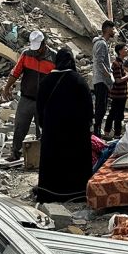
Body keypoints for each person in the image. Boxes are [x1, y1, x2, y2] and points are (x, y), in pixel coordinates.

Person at [35, 48, 93, 202]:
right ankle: (78, 193)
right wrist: (88, 125)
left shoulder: (46, 81)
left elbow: (39, 108)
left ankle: (49, 193)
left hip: (52, 131)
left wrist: (44, 125)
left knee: (53, 161)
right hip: (76, 132)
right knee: (75, 160)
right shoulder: (78, 80)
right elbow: (88, 107)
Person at [0, 30, 55, 162]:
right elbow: (16, 72)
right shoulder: (26, 54)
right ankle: (15, 152)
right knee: (20, 126)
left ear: (44, 44)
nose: (36, 51)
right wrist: (7, 87)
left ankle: (42, 157)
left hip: (44, 101)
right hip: (26, 97)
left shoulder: (54, 57)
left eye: (39, 48)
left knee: (42, 130)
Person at [91, 20, 115, 137]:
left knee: (102, 106)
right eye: (112, 29)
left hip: (101, 80)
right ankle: (97, 131)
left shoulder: (102, 43)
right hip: (101, 80)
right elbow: (99, 63)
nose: (114, 31)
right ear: (107, 30)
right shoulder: (101, 44)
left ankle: (97, 129)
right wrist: (108, 77)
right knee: (101, 107)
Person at [105, 42, 128, 138]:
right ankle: (111, 133)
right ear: (120, 51)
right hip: (117, 94)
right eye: (125, 49)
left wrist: (126, 78)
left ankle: (115, 133)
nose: (127, 50)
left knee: (118, 114)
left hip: (122, 93)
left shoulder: (122, 63)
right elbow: (117, 80)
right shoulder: (116, 64)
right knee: (115, 114)